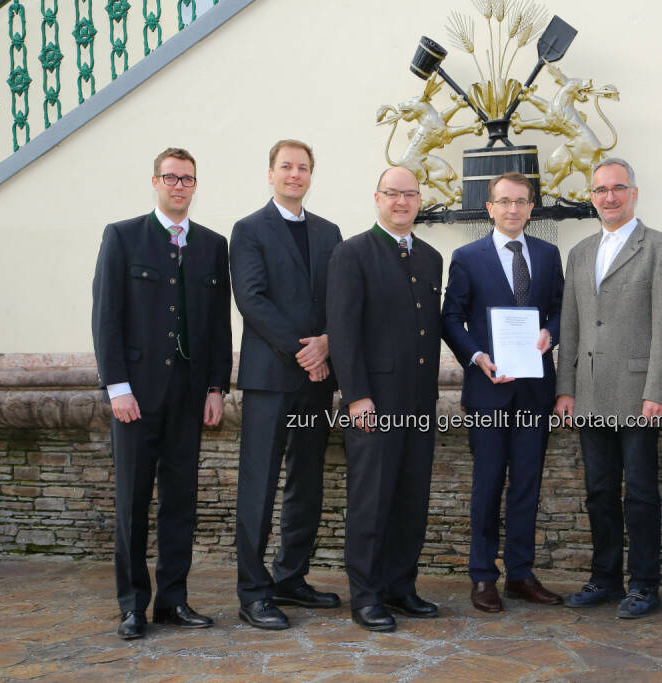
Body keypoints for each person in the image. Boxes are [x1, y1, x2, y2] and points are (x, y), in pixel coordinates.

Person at [91, 147, 232, 639]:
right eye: (171, 177)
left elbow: (217, 325)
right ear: (155, 182)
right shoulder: (123, 237)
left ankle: (174, 600)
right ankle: (132, 605)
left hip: (189, 396)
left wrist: (217, 386)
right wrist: (117, 388)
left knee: (181, 502)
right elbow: (106, 317)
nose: (179, 186)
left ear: (195, 186)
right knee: (131, 503)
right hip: (135, 398)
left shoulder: (213, 246)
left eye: (187, 179)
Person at [554, 158, 662, 619]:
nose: (610, 197)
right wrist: (565, 387)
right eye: (601, 190)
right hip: (588, 392)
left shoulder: (661, 249)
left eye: (618, 188)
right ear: (592, 196)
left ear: (634, 193)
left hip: (638, 392)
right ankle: (604, 578)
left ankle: (644, 584)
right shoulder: (580, 252)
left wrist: (658, 390)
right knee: (599, 491)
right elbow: (571, 322)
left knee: (641, 493)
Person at [229, 139, 343, 630]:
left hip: (317, 380)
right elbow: (252, 300)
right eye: (286, 167)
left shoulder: (329, 232)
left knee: (307, 480)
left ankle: (290, 577)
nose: (294, 175)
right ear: (270, 173)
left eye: (303, 168)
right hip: (271, 380)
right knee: (259, 483)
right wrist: (304, 352)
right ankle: (253, 592)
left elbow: (340, 300)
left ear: (311, 176)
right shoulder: (249, 230)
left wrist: (327, 344)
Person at [327, 166, 443, 632]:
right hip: (373, 404)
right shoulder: (352, 253)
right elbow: (343, 330)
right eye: (392, 194)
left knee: (411, 499)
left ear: (419, 201)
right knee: (371, 502)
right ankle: (367, 596)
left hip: (419, 404)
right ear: (377, 198)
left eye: (410, 194)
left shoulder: (432, 257)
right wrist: (356, 397)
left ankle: (401, 587)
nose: (401, 202)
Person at [442, 172, 564, 612]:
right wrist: (477, 357)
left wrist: (552, 331)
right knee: (488, 485)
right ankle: (482, 576)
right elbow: (450, 318)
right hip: (488, 390)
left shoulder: (549, 255)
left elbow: (559, 309)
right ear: (489, 208)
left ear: (532, 208)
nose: (513, 209)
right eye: (504, 201)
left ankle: (521, 574)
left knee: (527, 486)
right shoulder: (467, 257)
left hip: (535, 390)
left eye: (521, 201)